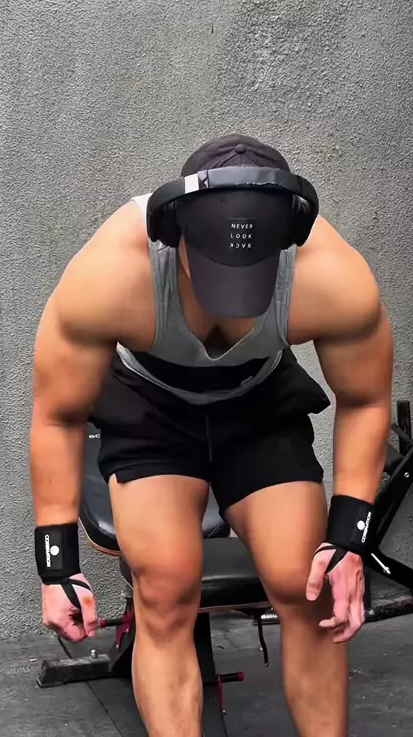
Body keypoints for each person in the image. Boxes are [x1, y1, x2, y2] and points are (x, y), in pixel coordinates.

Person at [30, 134, 393, 737]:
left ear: (287, 242)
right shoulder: (112, 274)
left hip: (259, 406)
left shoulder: (332, 279)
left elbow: (366, 400)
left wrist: (349, 541)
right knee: (166, 590)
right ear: (174, 236)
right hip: (151, 410)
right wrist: (57, 566)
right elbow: (58, 416)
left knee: (310, 585)